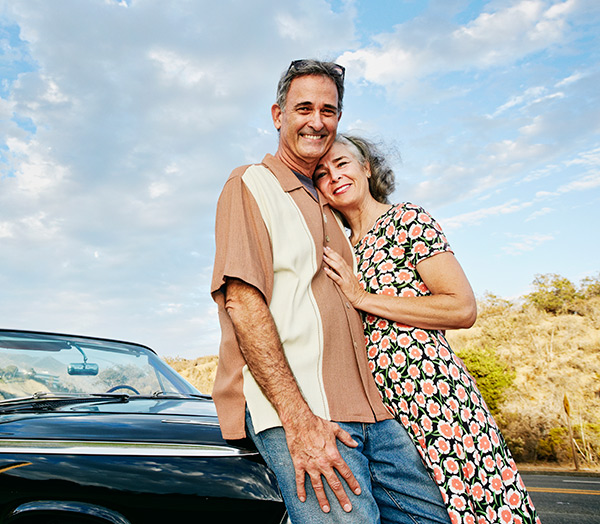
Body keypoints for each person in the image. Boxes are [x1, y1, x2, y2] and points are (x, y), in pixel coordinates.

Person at [211, 59, 450, 523]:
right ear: (278, 115)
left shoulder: (332, 206)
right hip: (303, 408)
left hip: (376, 411)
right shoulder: (250, 183)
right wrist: (298, 419)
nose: (317, 121)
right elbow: (242, 301)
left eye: (329, 110)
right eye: (304, 108)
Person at [315, 134, 541, 524]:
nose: (334, 176)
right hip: (381, 410)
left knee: (473, 505)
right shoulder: (342, 248)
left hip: (434, 395)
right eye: (321, 173)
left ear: (366, 168)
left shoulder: (407, 219)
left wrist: (362, 297)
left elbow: (461, 307)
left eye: (342, 163)